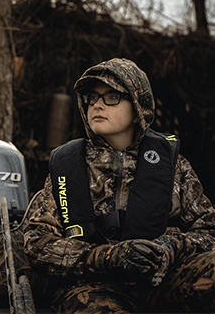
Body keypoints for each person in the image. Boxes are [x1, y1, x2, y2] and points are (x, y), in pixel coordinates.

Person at [24, 58, 215, 313]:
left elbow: (208, 232)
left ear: (138, 108)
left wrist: (171, 247)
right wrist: (107, 257)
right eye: (92, 97)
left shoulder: (173, 166)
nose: (97, 105)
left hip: (165, 280)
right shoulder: (68, 168)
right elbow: (37, 243)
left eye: (112, 96)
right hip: (94, 286)